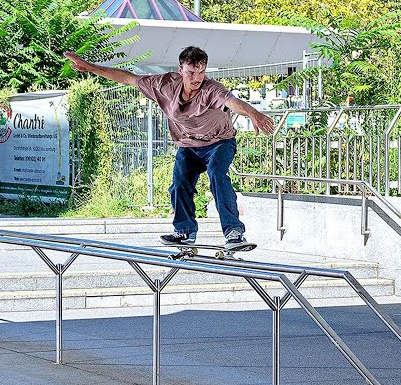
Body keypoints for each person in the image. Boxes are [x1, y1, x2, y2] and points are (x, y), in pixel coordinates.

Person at [65, 47, 274, 247]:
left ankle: (234, 232)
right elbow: (128, 78)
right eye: (191, 73)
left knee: (218, 176)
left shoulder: (211, 89)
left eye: (201, 72)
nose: (197, 78)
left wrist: (253, 113)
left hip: (219, 143)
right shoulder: (164, 85)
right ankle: (184, 230)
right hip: (188, 145)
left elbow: (231, 101)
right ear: (180, 69)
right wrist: (90, 67)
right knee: (179, 183)